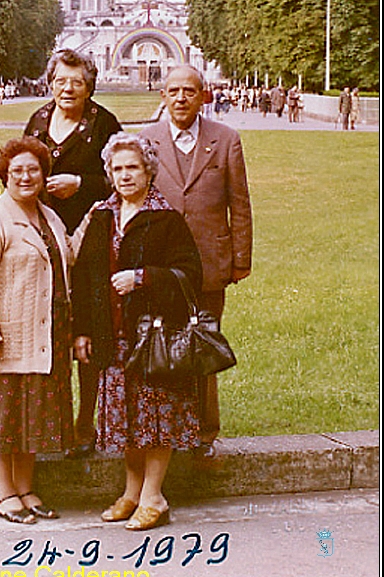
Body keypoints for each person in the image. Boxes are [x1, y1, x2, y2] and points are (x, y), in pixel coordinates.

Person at [72, 133, 203, 530]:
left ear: (148, 171)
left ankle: (154, 496)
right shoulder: (101, 216)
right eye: (118, 168)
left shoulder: (166, 218)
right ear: (109, 173)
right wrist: (82, 331)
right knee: (125, 419)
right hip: (111, 336)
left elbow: (191, 275)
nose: (125, 175)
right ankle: (131, 492)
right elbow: (85, 277)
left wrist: (143, 278)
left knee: (155, 418)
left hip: (152, 339)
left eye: (133, 167)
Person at [141, 65, 252, 457]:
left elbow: (239, 203)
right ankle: (167, 427)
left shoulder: (225, 140)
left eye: (189, 90)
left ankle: (204, 431)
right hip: (162, 266)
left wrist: (240, 259)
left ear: (203, 95)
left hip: (209, 263)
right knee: (162, 344)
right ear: (163, 96)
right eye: (173, 90)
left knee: (204, 343)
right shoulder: (146, 139)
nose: (181, 98)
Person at [0, 137, 73, 524]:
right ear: (5, 176)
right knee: (3, 415)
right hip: (7, 336)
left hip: (46, 334)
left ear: (44, 175)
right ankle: (3, 492)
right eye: (17, 171)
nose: (26, 177)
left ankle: (26, 488)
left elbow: (65, 258)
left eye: (33, 170)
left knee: (32, 416)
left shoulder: (49, 216)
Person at [24, 48, 121, 455]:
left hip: (92, 238)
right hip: (44, 236)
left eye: (77, 82)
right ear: (50, 83)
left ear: (89, 86)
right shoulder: (38, 121)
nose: (68, 88)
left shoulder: (104, 123)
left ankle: (86, 420)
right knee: (50, 327)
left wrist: (80, 183)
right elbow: (22, 169)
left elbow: (122, 176)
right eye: (61, 81)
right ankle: (54, 419)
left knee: (90, 330)